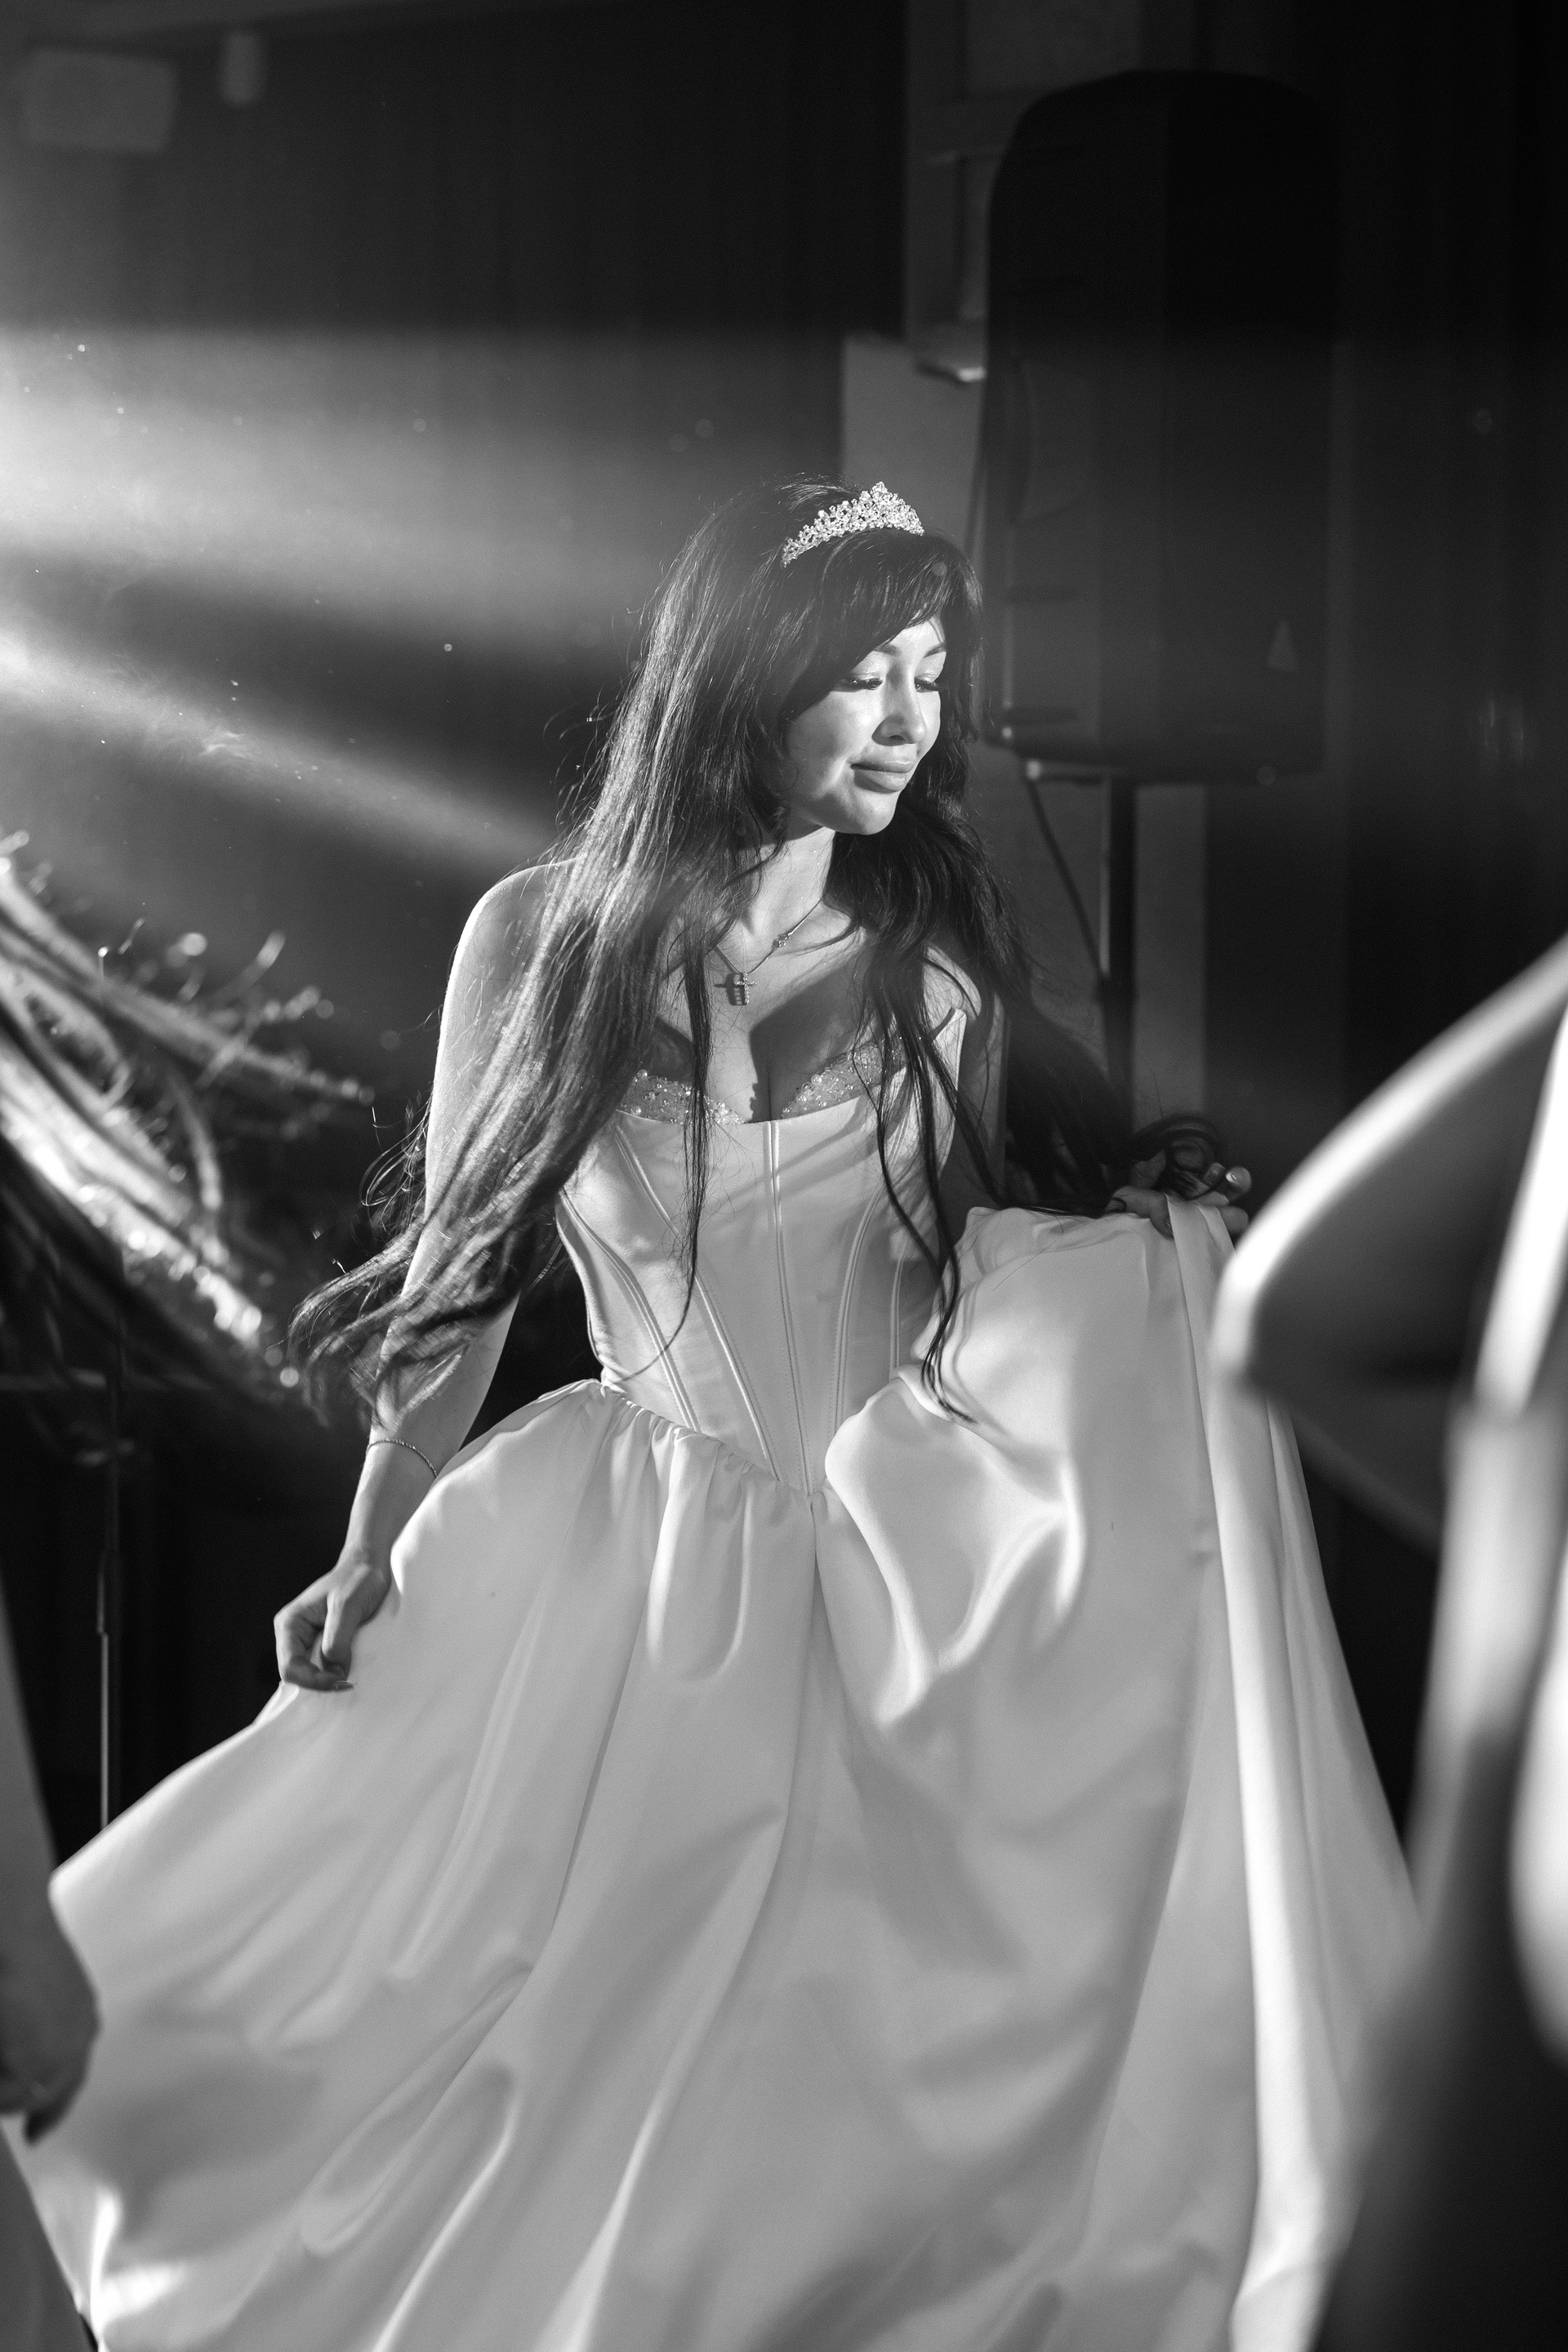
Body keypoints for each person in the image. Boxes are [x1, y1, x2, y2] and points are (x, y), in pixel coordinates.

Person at [16, 480, 1414, 2352]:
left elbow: (976, 1278)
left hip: (893, 1578)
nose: (913, 718)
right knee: (465, 2024)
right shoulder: (539, 940)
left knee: (854, 2083)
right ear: (746, 678)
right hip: (622, 1555)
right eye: (866, 675)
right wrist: (366, 1545)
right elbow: (468, 1271)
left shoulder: (935, 974)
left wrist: (1157, 1269)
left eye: (932, 674)